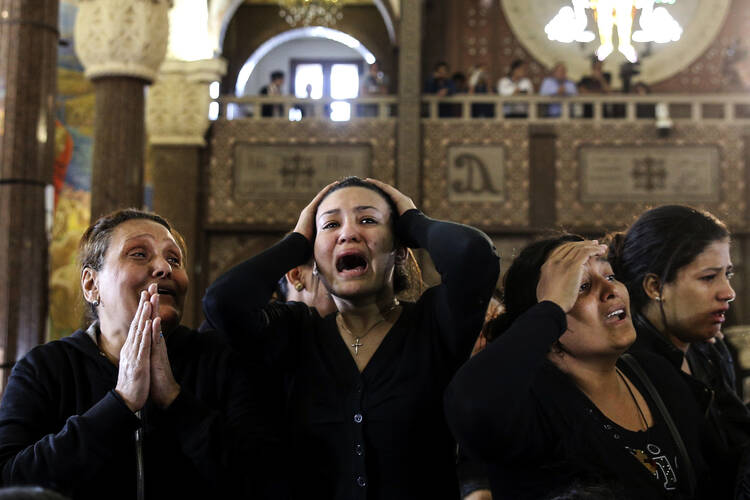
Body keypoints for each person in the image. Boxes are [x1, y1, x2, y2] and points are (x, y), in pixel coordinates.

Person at [203, 176, 500, 499]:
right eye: (330, 226)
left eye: (368, 220)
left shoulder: (434, 324)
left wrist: (413, 220)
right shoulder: (296, 333)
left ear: (400, 250)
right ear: (314, 259)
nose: (348, 233)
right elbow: (222, 302)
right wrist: (298, 241)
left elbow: (474, 254)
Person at [0, 209, 271, 500]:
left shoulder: (218, 359)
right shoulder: (45, 367)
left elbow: (261, 479)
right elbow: (10, 480)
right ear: (92, 285)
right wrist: (121, 402)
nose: (164, 268)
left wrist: (174, 398)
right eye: (139, 254)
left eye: (173, 259)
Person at [445, 235, 713, 499]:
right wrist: (551, 307)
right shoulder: (531, 408)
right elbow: (470, 403)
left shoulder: (654, 373)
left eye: (610, 276)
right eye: (582, 287)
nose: (611, 291)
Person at [608, 205, 750, 498]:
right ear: (655, 286)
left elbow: (738, 441)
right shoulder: (627, 367)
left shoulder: (709, 350)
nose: (728, 292)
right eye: (709, 277)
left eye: (728, 274)